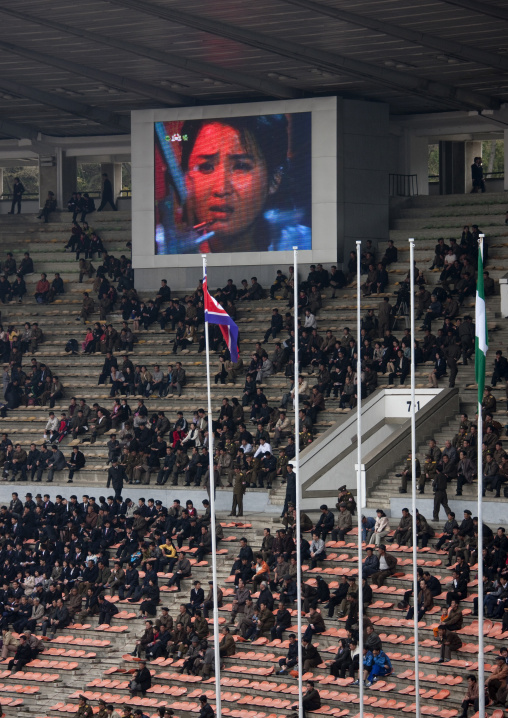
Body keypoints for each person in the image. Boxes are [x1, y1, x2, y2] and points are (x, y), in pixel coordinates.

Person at [156, 114, 311, 254]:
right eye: (206, 167)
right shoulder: (162, 248)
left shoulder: (305, 244)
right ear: (185, 179)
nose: (221, 189)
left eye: (241, 166)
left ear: (275, 178)